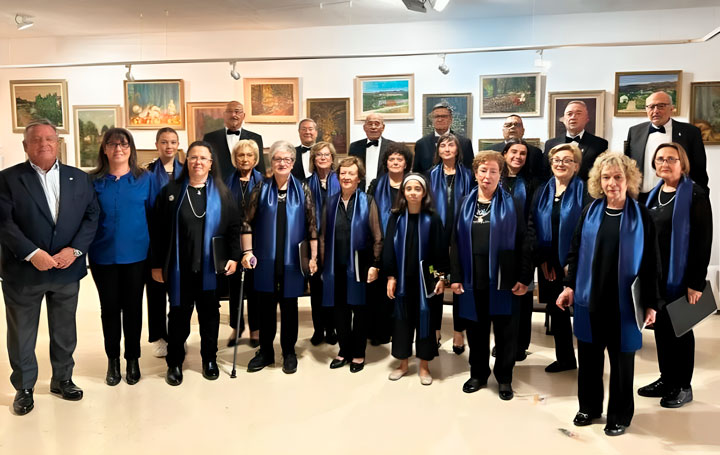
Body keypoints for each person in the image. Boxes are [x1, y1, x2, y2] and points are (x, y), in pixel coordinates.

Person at [0, 118, 99, 415]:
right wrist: (31, 253)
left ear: (58, 143)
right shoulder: (7, 179)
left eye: (49, 139)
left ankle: (62, 379)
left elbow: (92, 216)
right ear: (25, 145)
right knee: (22, 334)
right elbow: (4, 222)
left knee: (65, 330)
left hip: (66, 270)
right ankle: (24, 387)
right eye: (36, 139)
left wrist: (75, 250)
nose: (43, 144)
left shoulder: (79, 178)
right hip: (23, 273)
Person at [556, 152, 659, 436]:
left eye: (617, 177)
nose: (611, 183)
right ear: (598, 181)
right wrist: (569, 286)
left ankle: (620, 415)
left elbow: (652, 262)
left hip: (625, 303)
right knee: (589, 358)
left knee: (622, 362)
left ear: (629, 180)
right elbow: (575, 252)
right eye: (606, 177)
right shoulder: (590, 211)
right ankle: (589, 408)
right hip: (590, 298)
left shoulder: (642, 216)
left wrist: (651, 303)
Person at [151, 141, 241, 386]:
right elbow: (157, 232)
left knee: (210, 316)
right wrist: (157, 264)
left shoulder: (222, 193)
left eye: (203, 158)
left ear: (211, 164)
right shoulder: (170, 192)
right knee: (178, 316)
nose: (198, 162)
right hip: (180, 268)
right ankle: (174, 362)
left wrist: (234, 257)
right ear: (186, 161)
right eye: (193, 157)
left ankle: (209, 359)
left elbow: (234, 228)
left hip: (210, 269)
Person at [450, 151, 533, 400]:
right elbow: (454, 242)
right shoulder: (463, 203)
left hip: (503, 278)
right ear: (475, 174)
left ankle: (504, 378)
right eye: (483, 170)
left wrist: (524, 277)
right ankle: (478, 374)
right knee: (476, 331)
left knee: (506, 332)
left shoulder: (512, 203)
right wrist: (455, 276)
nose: (487, 176)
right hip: (472, 277)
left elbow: (524, 241)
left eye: (493, 171)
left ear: (501, 174)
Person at [637, 142, 712, 408]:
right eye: (660, 159)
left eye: (671, 159)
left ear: (683, 164)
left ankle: (683, 386)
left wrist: (696, 283)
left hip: (681, 278)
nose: (665, 163)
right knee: (661, 329)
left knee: (680, 330)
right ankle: (666, 378)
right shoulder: (652, 194)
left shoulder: (695, 194)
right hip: (656, 276)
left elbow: (703, 241)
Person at [241, 140, 318, 374]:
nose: (282, 163)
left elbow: (312, 225)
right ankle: (265, 351)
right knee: (265, 308)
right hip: (265, 260)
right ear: (271, 162)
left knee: (289, 307)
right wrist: (247, 252)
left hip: (292, 260)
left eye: (286, 159)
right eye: (277, 159)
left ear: (293, 163)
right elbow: (247, 222)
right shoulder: (260, 188)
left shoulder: (303, 189)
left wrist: (313, 257)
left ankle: (289, 351)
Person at [89, 128, 156, 386]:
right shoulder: (93, 181)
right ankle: (113, 360)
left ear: (131, 149)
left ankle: (133, 359)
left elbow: (155, 218)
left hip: (137, 256)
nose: (119, 149)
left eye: (124, 144)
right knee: (109, 309)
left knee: (133, 309)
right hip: (102, 256)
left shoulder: (146, 179)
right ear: (104, 149)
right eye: (113, 144)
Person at [384, 173, 448, 385]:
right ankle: (403, 364)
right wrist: (391, 276)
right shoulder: (395, 218)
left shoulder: (433, 219)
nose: (413, 192)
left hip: (426, 279)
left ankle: (424, 366)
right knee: (402, 322)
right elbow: (388, 249)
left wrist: (440, 277)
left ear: (424, 192)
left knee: (425, 322)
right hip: (402, 280)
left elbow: (440, 251)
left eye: (417, 189)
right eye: (409, 188)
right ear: (403, 192)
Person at [321, 157, 382, 372]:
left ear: (359, 178)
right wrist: (323, 265)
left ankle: (358, 353)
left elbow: (378, 236)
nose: (346, 177)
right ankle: (344, 350)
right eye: (343, 173)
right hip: (336, 266)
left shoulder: (368, 201)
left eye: (351, 173)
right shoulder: (330, 202)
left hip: (360, 266)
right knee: (340, 312)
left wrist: (375, 264)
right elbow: (323, 236)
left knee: (360, 311)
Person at [530, 143, 587, 373]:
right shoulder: (542, 191)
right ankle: (565, 359)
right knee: (557, 311)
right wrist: (542, 258)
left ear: (576, 165)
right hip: (549, 262)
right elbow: (532, 224)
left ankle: (588, 362)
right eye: (556, 160)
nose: (561, 163)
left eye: (567, 160)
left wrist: (571, 263)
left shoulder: (586, 191)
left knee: (581, 311)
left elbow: (586, 230)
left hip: (577, 262)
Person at [424, 133, 473, 354]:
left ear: (457, 149)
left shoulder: (468, 175)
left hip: (461, 237)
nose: (446, 148)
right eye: (442, 145)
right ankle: (435, 329)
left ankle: (458, 331)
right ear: (438, 150)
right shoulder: (429, 175)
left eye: (450, 144)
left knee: (458, 284)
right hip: (435, 238)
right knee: (436, 281)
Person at [366, 143, 413, 345]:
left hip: (406, 243)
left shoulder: (413, 184)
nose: (395, 162)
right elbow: (367, 209)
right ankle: (380, 331)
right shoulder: (376, 184)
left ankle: (401, 331)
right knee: (379, 290)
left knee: (403, 288)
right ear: (386, 163)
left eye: (399, 159)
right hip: (380, 242)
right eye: (391, 159)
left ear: (406, 163)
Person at [145, 127, 183, 358]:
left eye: (173, 142)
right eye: (164, 142)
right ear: (157, 145)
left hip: (180, 239)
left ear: (178, 145)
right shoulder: (147, 172)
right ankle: (159, 336)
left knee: (179, 292)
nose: (169, 146)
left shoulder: (186, 171)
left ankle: (177, 334)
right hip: (154, 238)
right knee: (156, 291)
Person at [624, 91, 708, 194]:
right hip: (641, 197)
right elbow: (628, 168)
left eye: (661, 106)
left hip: (677, 196)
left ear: (671, 108)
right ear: (646, 109)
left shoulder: (690, 132)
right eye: (651, 107)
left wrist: (701, 196)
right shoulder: (634, 131)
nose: (655, 111)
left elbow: (699, 171)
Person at [500, 139, 537, 362]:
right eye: (514, 152)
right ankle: (504, 343)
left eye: (523, 153)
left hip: (524, 244)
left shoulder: (532, 182)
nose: (518, 156)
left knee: (523, 297)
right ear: (505, 153)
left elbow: (534, 216)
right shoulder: (496, 178)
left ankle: (521, 345)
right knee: (503, 296)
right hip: (500, 246)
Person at [225, 140, 264, 348]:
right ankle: (236, 327)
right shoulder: (226, 181)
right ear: (235, 158)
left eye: (249, 155)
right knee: (235, 288)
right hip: (233, 241)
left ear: (255, 158)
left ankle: (255, 329)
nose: (245, 159)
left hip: (256, 241)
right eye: (241, 155)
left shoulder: (264, 181)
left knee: (255, 288)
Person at [307, 142, 340, 346]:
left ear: (332, 158)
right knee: (316, 288)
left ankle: (333, 328)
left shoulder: (342, 181)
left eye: (326, 154)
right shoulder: (305, 184)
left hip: (336, 242)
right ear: (313, 159)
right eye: (318, 155)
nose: (322, 158)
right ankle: (319, 328)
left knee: (334, 286)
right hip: (314, 242)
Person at [543, 101, 608, 182]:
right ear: (564, 119)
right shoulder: (550, 144)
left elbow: (600, 175)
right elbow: (544, 174)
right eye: (569, 114)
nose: (573, 117)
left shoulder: (600, 144)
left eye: (578, 113)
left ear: (586, 119)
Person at [203, 101, 265, 181]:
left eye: (237, 111)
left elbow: (260, 168)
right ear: (224, 115)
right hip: (218, 186)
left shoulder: (256, 138)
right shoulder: (210, 138)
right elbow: (205, 165)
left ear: (243, 116)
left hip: (247, 186)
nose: (233, 115)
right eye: (229, 111)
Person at [413, 103, 474, 173]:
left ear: (451, 119)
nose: (439, 119)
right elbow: (416, 173)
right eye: (436, 116)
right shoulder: (421, 144)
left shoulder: (464, 143)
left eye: (444, 116)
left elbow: (471, 170)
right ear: (432, 120)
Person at [489, 115, 549, 182]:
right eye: (508, 125)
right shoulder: (490, 151)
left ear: (523, 131)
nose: (512, 127)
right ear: (503, 130)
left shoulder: (536, 152)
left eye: (517, 125)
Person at [348, 113, 395, 190]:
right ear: (364, 128)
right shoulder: (354, 147)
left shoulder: (392, 147)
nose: (373, 127)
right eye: (370, 124)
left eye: (377, 124)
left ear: (383, 127)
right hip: (360, 191)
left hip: (385, 191)